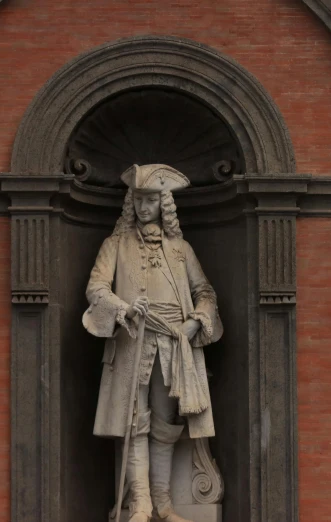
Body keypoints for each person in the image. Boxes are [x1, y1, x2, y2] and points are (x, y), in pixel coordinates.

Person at [83, 164, 223, 522]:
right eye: (139, 199)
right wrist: (124, 308)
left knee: (165, 421)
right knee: (134, 422)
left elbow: (205, 292)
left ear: (164, 203)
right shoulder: (114, 245)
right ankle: (140, 505)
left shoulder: (181, 249)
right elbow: (96, 288)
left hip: (173, 342)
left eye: (151, 200)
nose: (145, 207)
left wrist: (196, 323)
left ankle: (163, 503)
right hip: (133, 340)